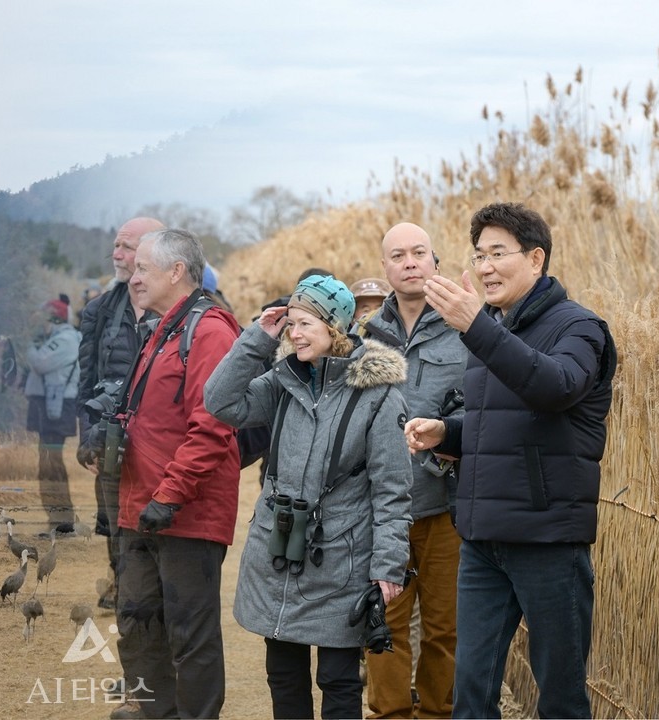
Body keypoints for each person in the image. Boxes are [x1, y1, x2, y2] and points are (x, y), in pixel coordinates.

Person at [404, 202, 616, 719]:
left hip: (547, 540)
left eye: (498, 253)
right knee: (470, 694)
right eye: (479, 256)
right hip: (482, 539)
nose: (485, 267)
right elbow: (496, 423)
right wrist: (447, 432)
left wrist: (476, 326)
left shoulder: (581, 328)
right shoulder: (491, 331)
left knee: (561, 696)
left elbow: (554, 387)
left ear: (537, 259)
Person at [205, 273, 413, 720]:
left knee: (338, 679)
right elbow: (220, 402)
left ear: (335, 327)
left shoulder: (379, 395)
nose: (294, 334)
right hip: (279, 548)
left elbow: (393, 490)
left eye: (306, 324)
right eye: (291, 324)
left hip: (341, 556)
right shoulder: (284, 380)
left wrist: (388, 567)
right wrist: (257, 339)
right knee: (283, 674)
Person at [112, 228, 242, 719]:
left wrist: (168, 496)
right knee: (138, 625)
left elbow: (212, 425)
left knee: (190, 635)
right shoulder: (161, 329)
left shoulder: (208, 331)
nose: (132, 277)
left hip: (185, 513)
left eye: (143, 268)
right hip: (139, 510)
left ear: (176, 272)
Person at [360, 224, 467, 719]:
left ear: (435, 261)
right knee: (385, 624)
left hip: (447, 506)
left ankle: (438, 713)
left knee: (446, 627)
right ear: (385, 268)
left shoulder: (468, 328)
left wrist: (450, 432)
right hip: (383, 512)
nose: (409, 262)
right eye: (397, 255)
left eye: (419, 253)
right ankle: (389, 714)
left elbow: (486, 405)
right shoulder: (364, 337)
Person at [76, 216, 164, 611]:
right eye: (117, 245)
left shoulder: (187, 311)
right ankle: (124, 594)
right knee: (116, 529)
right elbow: (87, 381)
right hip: (112, 448)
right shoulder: (99, 311)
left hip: (162, 451)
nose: (117, 253)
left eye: (127, 247)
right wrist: (89, 441)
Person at [23, 296, 80, 525]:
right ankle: (57, 519)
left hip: (56, 409)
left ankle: (62, 520)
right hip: (48, 406)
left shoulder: (65, 339)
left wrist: (28, 343)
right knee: (47, 463)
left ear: (53, 319)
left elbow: (39, 363)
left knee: (52, 464)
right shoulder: (56, 338)